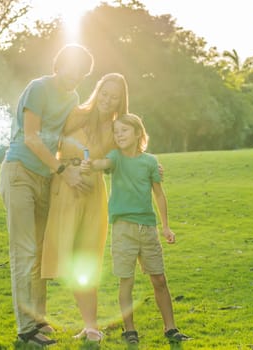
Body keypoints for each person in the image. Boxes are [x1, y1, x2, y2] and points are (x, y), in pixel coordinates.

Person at [0, 44, 94, 346]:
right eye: (74, 68)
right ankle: (26, 329)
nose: (77, 76)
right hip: (20, 173)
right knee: (24, 251)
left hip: (44, 177)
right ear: (60, 63)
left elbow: (71, 133)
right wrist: (62, 170)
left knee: (39, 253)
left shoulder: (73, 97)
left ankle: (38, 319)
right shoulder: (38, 88)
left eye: (82, 74)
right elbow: (31, 138)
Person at [82, 113, 191, 345]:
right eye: (116, 131)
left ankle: (170, 328)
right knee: (126, 281)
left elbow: (159, 195)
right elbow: (104, 164)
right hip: (123, 229)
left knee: (159, 279)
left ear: (138, 133)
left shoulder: (150, 162)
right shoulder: (116, 158)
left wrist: (166, 227)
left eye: (124, 130)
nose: (119, 134)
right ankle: (129, 329)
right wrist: (90, 163)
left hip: (148, 229)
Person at [41, 73, 129, 342]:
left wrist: (149, 167)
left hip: (93, 195)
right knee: (58, 254)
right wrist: (67, 171)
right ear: (97, 90)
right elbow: (48, 144)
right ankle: (37, 321)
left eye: (114, 97)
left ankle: (91, 326)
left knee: (86, 257)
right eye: (104, 93)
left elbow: (126, 157)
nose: (107, 100)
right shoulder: (75, 114)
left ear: (120, 101)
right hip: (66, 188)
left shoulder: (117, 127)